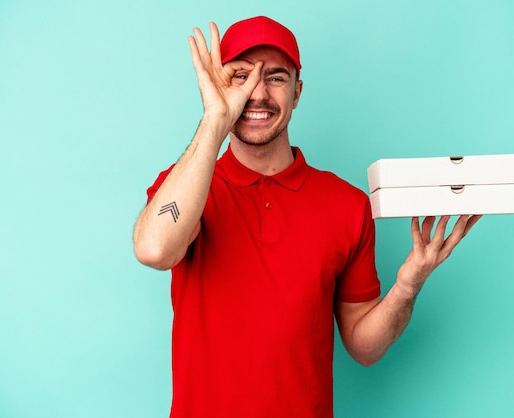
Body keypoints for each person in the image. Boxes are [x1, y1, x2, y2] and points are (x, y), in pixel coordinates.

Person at [133, 15, 481, 418]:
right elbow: (155, 249)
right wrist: (215, 119)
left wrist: (408, 285)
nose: (257, 93)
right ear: (218, 86)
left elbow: (363, 347)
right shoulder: (187, 187)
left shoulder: (346, 204)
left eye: (276, 78)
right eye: (241, 76)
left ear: (297, 93)